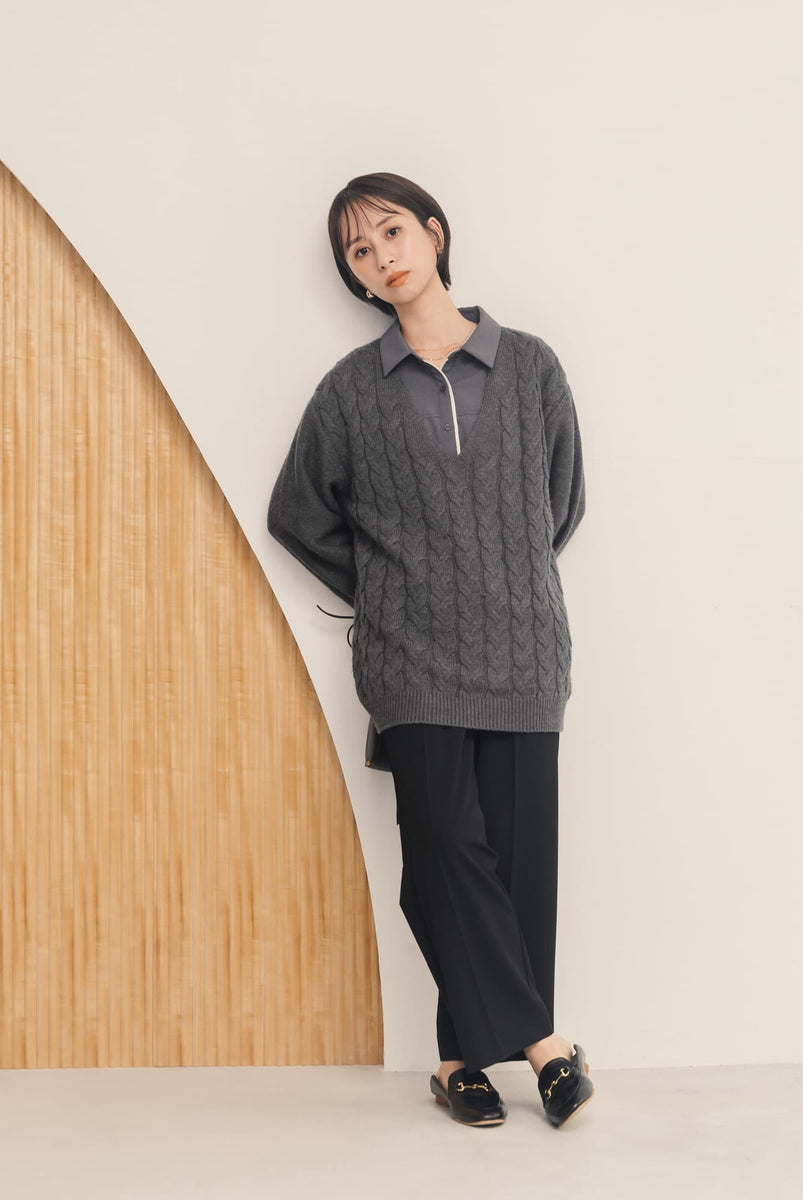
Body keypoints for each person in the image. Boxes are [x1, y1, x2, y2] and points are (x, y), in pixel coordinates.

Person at [267, 172, 592, 1128]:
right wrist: (395, 586)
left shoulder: (530, 367)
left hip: (526, 650)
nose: (382, 257)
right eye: (359, 252)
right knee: (445, 847)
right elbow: (296, 513)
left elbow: (560, 503)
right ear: (358, 278)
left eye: (392, 232)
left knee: (517, 866)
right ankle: (546, 1046)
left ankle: (458, 1062)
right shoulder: (350, 392)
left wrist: (502, 577)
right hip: (411, 659)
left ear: (435, 234)